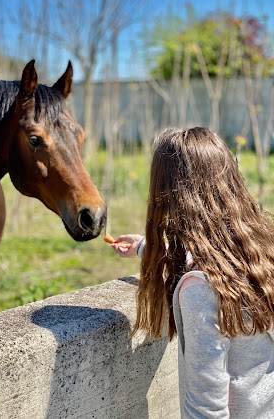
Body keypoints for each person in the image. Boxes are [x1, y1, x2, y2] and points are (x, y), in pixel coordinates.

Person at [110, 127, 274, 418]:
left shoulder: (201, 292)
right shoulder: (262, 249)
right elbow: (217, 256)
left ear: (168, 194)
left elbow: (207, 408)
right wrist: (148, 248)